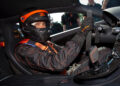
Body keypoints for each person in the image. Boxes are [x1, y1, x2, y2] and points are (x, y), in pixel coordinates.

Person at [14, 9, 93, 74]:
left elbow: (63, 52)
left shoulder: (46, 43)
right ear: (26, 28)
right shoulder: (24, 49)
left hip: (63, 75)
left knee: (100, 53)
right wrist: (81, 33)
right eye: (37, 24)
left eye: (44, 24)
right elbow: (57, 64)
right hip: (52, 81)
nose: (42, 27)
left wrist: (85, 54)